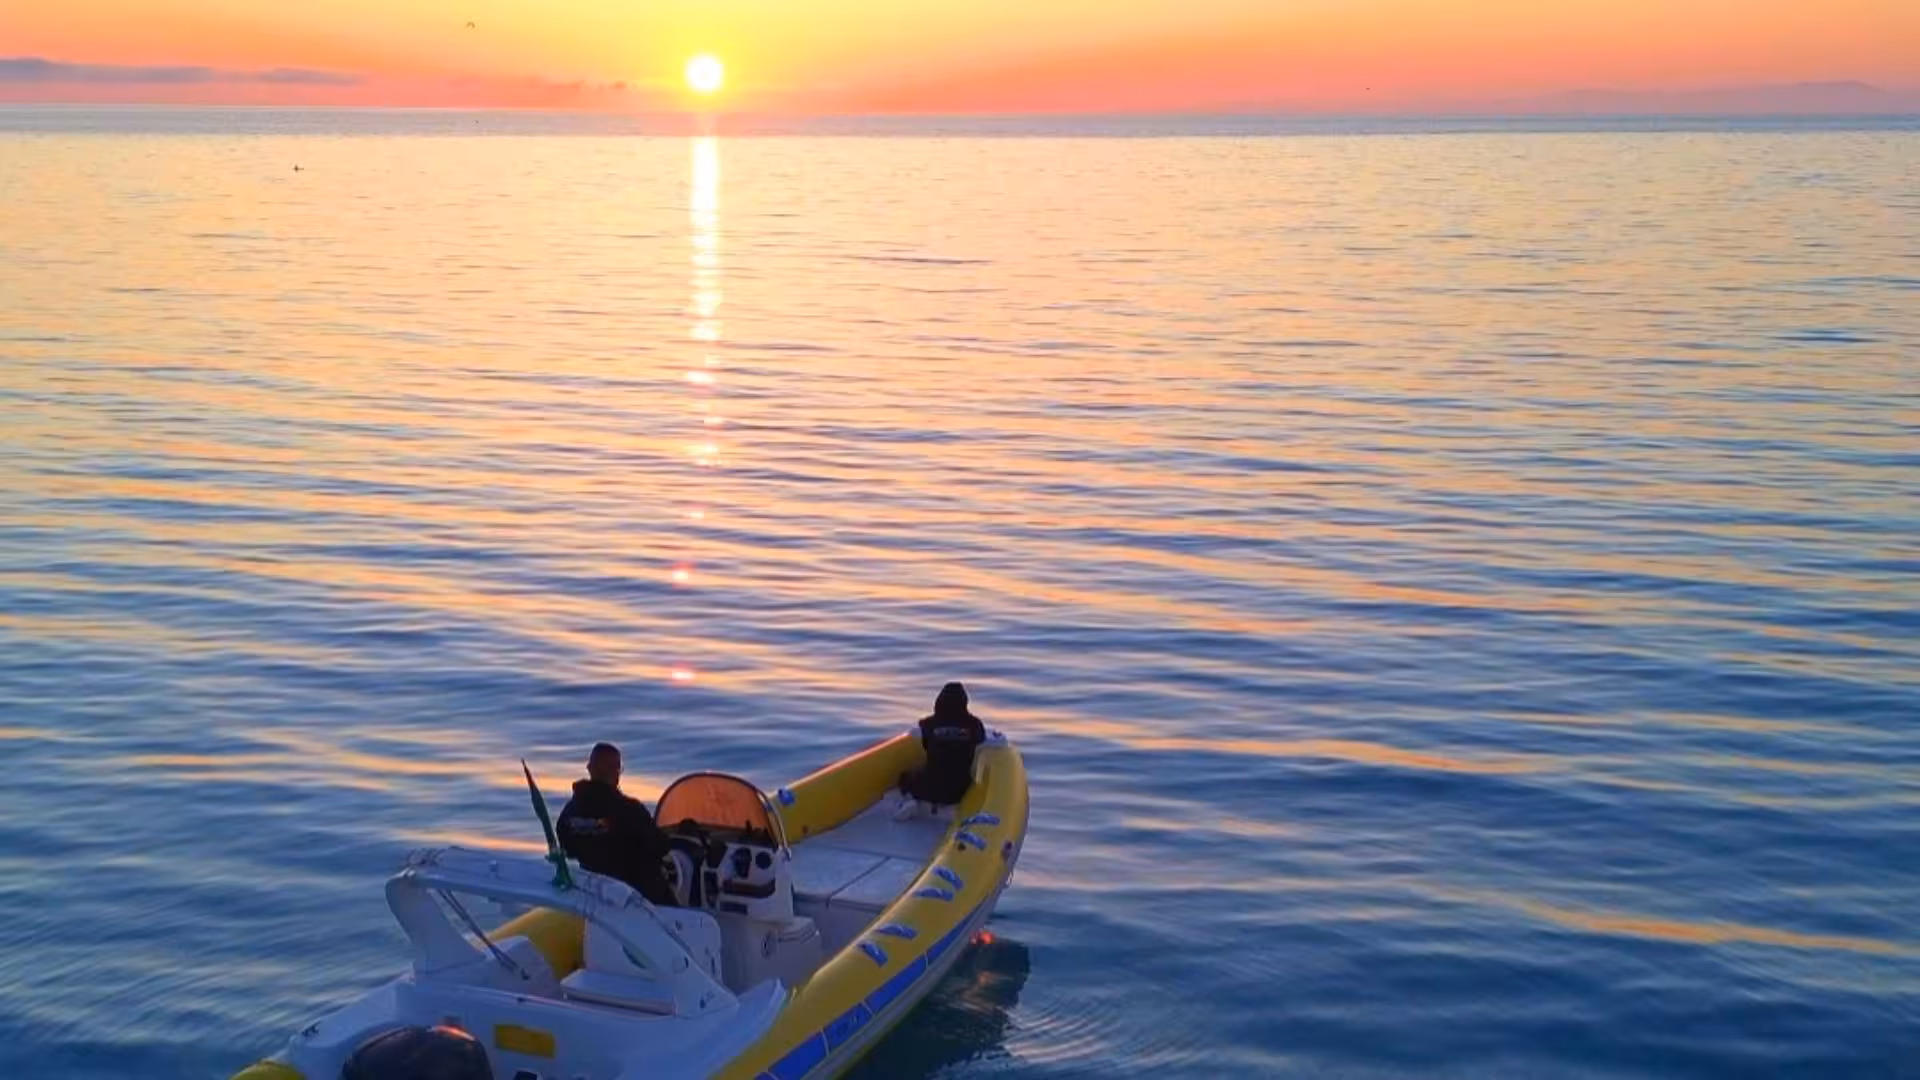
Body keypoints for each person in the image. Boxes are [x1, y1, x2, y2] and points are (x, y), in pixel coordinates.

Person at [556, 742, 677, 906]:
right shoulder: (630, 811)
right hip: (637, 896)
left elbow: (567, 848)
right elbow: (659, 846)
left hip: (594, 891)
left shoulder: (570, 813)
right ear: (616, 771)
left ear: (589, 768)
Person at [898, 682, 987, 809]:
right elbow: (981, 739)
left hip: (929, 787)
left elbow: (925, 744)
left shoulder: (927, 724)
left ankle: (910, 800)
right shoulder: (974, 725)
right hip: (959, 791)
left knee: (905, 777)